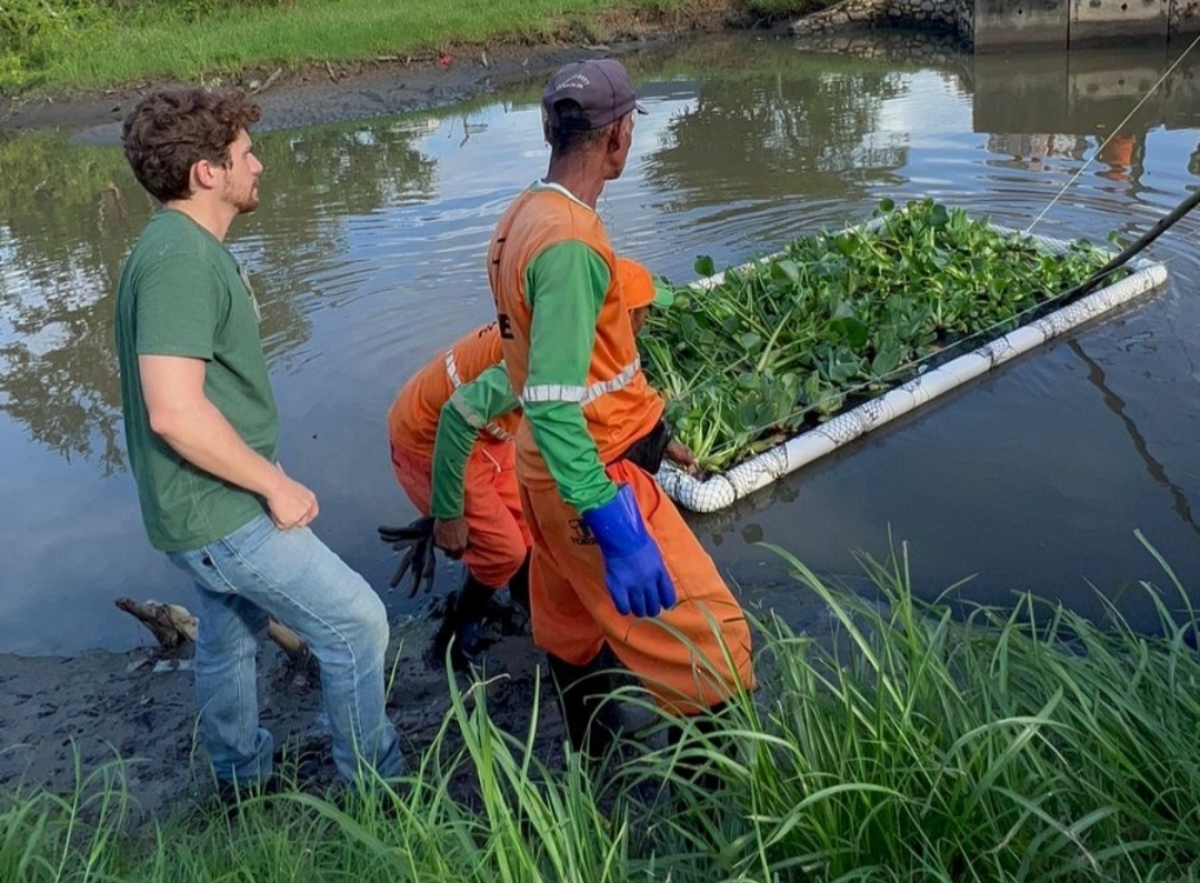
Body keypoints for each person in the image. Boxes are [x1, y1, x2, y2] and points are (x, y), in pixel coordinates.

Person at [114, 88, 401, 795]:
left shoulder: (176, 246)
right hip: (221, 511)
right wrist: (274, 485)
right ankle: (381, 791)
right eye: (245, 154)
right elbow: (174, 412)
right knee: (356, 624)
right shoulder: (180, 261)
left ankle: (238, 778)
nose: (260, 165)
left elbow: (201, 398)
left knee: (229, 629)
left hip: (201, 500)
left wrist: (259, 461)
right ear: (206, 173)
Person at [484, 58, 757, 758]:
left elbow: (588, 371)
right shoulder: (572, 245)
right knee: (713, 645)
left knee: (573, 632)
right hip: (590, 482)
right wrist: (612, 519)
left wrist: (653, 434)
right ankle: (717, 820)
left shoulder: (526, 214)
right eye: (630, 126)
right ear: (617, 138)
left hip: (545, 478)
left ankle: (596, 776)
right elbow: (552, 400)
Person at [386, 258, 684, 669]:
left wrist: (664, 441)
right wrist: (448, 512)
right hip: (434, 435)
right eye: (644, 312)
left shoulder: (590, 339)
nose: (647, 321)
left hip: (489, 433)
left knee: (532, 530)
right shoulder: (545, 354)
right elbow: (457, 418)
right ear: (621, 315)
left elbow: (618, 403)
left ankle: (532, 611)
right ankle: (455, 635)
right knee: (503, 551)